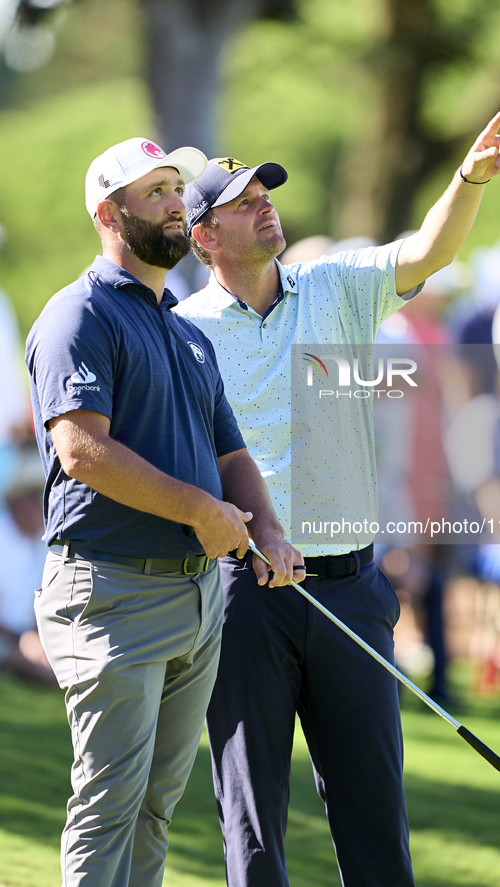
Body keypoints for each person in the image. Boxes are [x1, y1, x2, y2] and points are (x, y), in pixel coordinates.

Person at [176, 110, 500, 887]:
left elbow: (429, 249)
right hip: (242, 595)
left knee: (371, 806)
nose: (265, 202)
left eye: (265, 191)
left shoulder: (335, 287)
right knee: (251, 814)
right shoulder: (181, 330)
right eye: (241, 200)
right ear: (204, 238)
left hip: (350, 586)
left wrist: (468, 180)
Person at [25, 137, 300, 887]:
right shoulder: (77, 314)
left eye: (177, 188)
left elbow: (231, 454)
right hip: (109, 591)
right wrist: (201, 512)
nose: (177, 202)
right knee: (111, 803)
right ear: (109, 214)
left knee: (154, 805)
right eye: (155, 192)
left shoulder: (183, 330)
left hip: (194, 595)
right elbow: (81, 450)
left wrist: (263, 527)